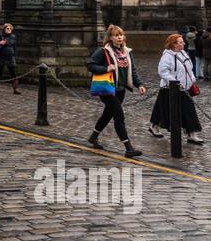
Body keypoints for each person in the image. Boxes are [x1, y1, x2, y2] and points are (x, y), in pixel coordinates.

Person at [86, 24, 147, 157]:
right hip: (107, 89)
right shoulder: (104, 51)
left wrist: (139, 84)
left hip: (120, 90)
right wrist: (105, 69)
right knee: (119, 116)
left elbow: (133, 71)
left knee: (108, 114)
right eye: (116, 35)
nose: (119, 37)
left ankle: (93, 137)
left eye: (121, 35)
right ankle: (128, 148)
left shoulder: (127, 52)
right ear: (110, 38)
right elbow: (90, 65)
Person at [149, 32, 203, 143]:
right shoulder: (167, 56)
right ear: (174, 44)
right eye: (181, 42)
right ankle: (154, 126)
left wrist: (192, 78)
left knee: (187, 110)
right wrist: (174, 82)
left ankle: (190, 133)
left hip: (184, 88)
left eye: (183, 41)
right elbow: (163, 71)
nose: (183, 43)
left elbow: (189, 68)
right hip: (169, 88)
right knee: (163, 109)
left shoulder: (183, 53)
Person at [0, 22, 19, 93]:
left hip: (10, 57)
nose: (9, 29)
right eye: (7, 28)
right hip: (1, 56)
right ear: (4, 29)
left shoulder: (13, 37)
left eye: (10, 28)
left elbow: (14, 47)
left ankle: (15, 89)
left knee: (13, 73)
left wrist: (14, 54)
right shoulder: (0, 36)